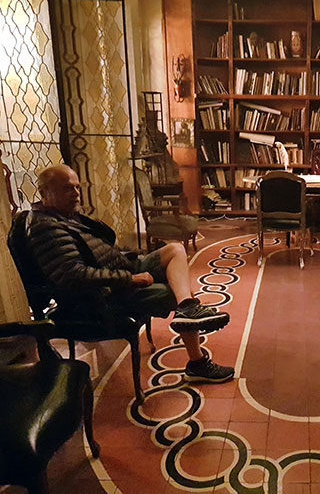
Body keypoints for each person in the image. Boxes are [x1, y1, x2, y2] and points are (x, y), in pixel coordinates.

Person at [26, 164, 234, 383]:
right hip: (101, 296)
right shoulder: (46, 228)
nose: (77, 195)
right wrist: (130, 278)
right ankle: (197, 360)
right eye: (68, 189)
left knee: (175, 250)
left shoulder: (65, 216)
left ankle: (187, 309)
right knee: (176, 290)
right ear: (44, 192)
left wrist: (127, 263)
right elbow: (73, 276)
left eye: (77, 188)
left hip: (119, 270)